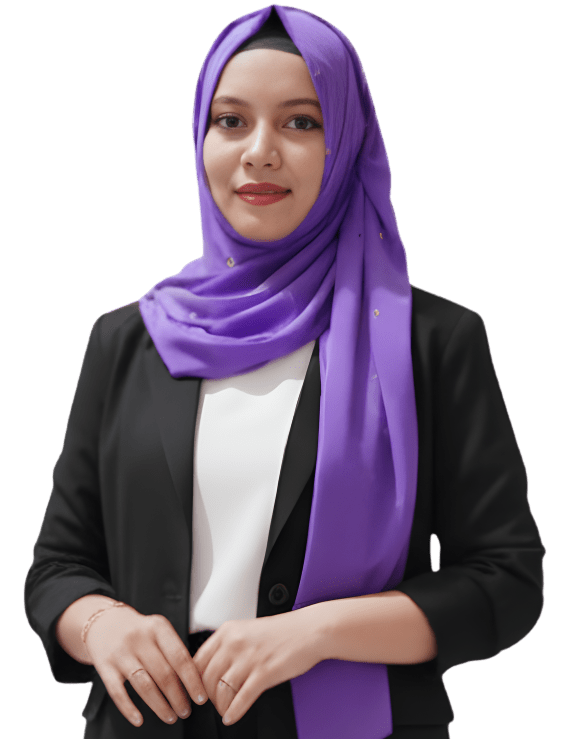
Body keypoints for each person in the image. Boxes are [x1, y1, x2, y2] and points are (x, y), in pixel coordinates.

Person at [23, 5, 545, 739]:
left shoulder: (430, 340)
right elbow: (58, 566)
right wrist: (101, 625)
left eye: (301, 122)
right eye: (230, 121)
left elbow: (506, 579)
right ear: (200, 138)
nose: (259, 152)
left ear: (348, 142)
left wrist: (315, 633)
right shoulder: (128, 339)